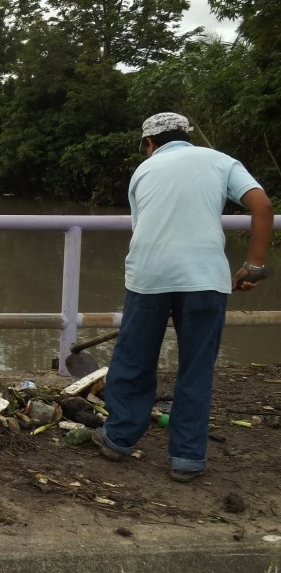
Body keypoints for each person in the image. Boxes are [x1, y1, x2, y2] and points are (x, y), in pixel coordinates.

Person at [92, 112, 273, 483]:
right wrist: (253, 265)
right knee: (197, 367)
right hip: (206, 278)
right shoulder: (221, 161)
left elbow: (144, 228)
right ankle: (187, 459)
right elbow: (263, 206)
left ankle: (119, 439)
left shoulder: (144, 171)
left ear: (148, 144)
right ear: (186, 137)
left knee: (134, 359)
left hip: (149, 276)